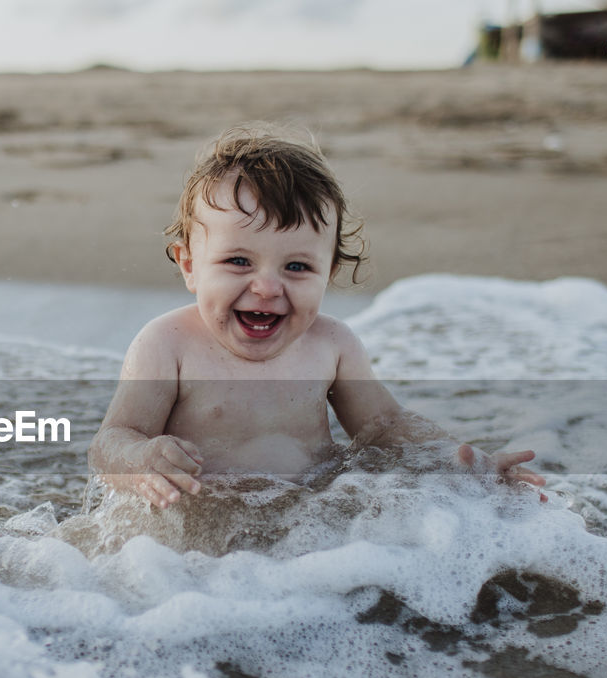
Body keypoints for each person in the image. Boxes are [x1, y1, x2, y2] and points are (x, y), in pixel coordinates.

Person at [88, 123, 547, 510]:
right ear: (189, 265)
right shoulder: (167, 344)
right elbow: (111, 441)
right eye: (239, 262)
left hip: (308, 519)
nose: (267, 287)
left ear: (329, 272)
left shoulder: (332, 345)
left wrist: (458, 459)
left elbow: (383, 425)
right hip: (196, 529)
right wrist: (140, 458)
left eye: (297, 267)